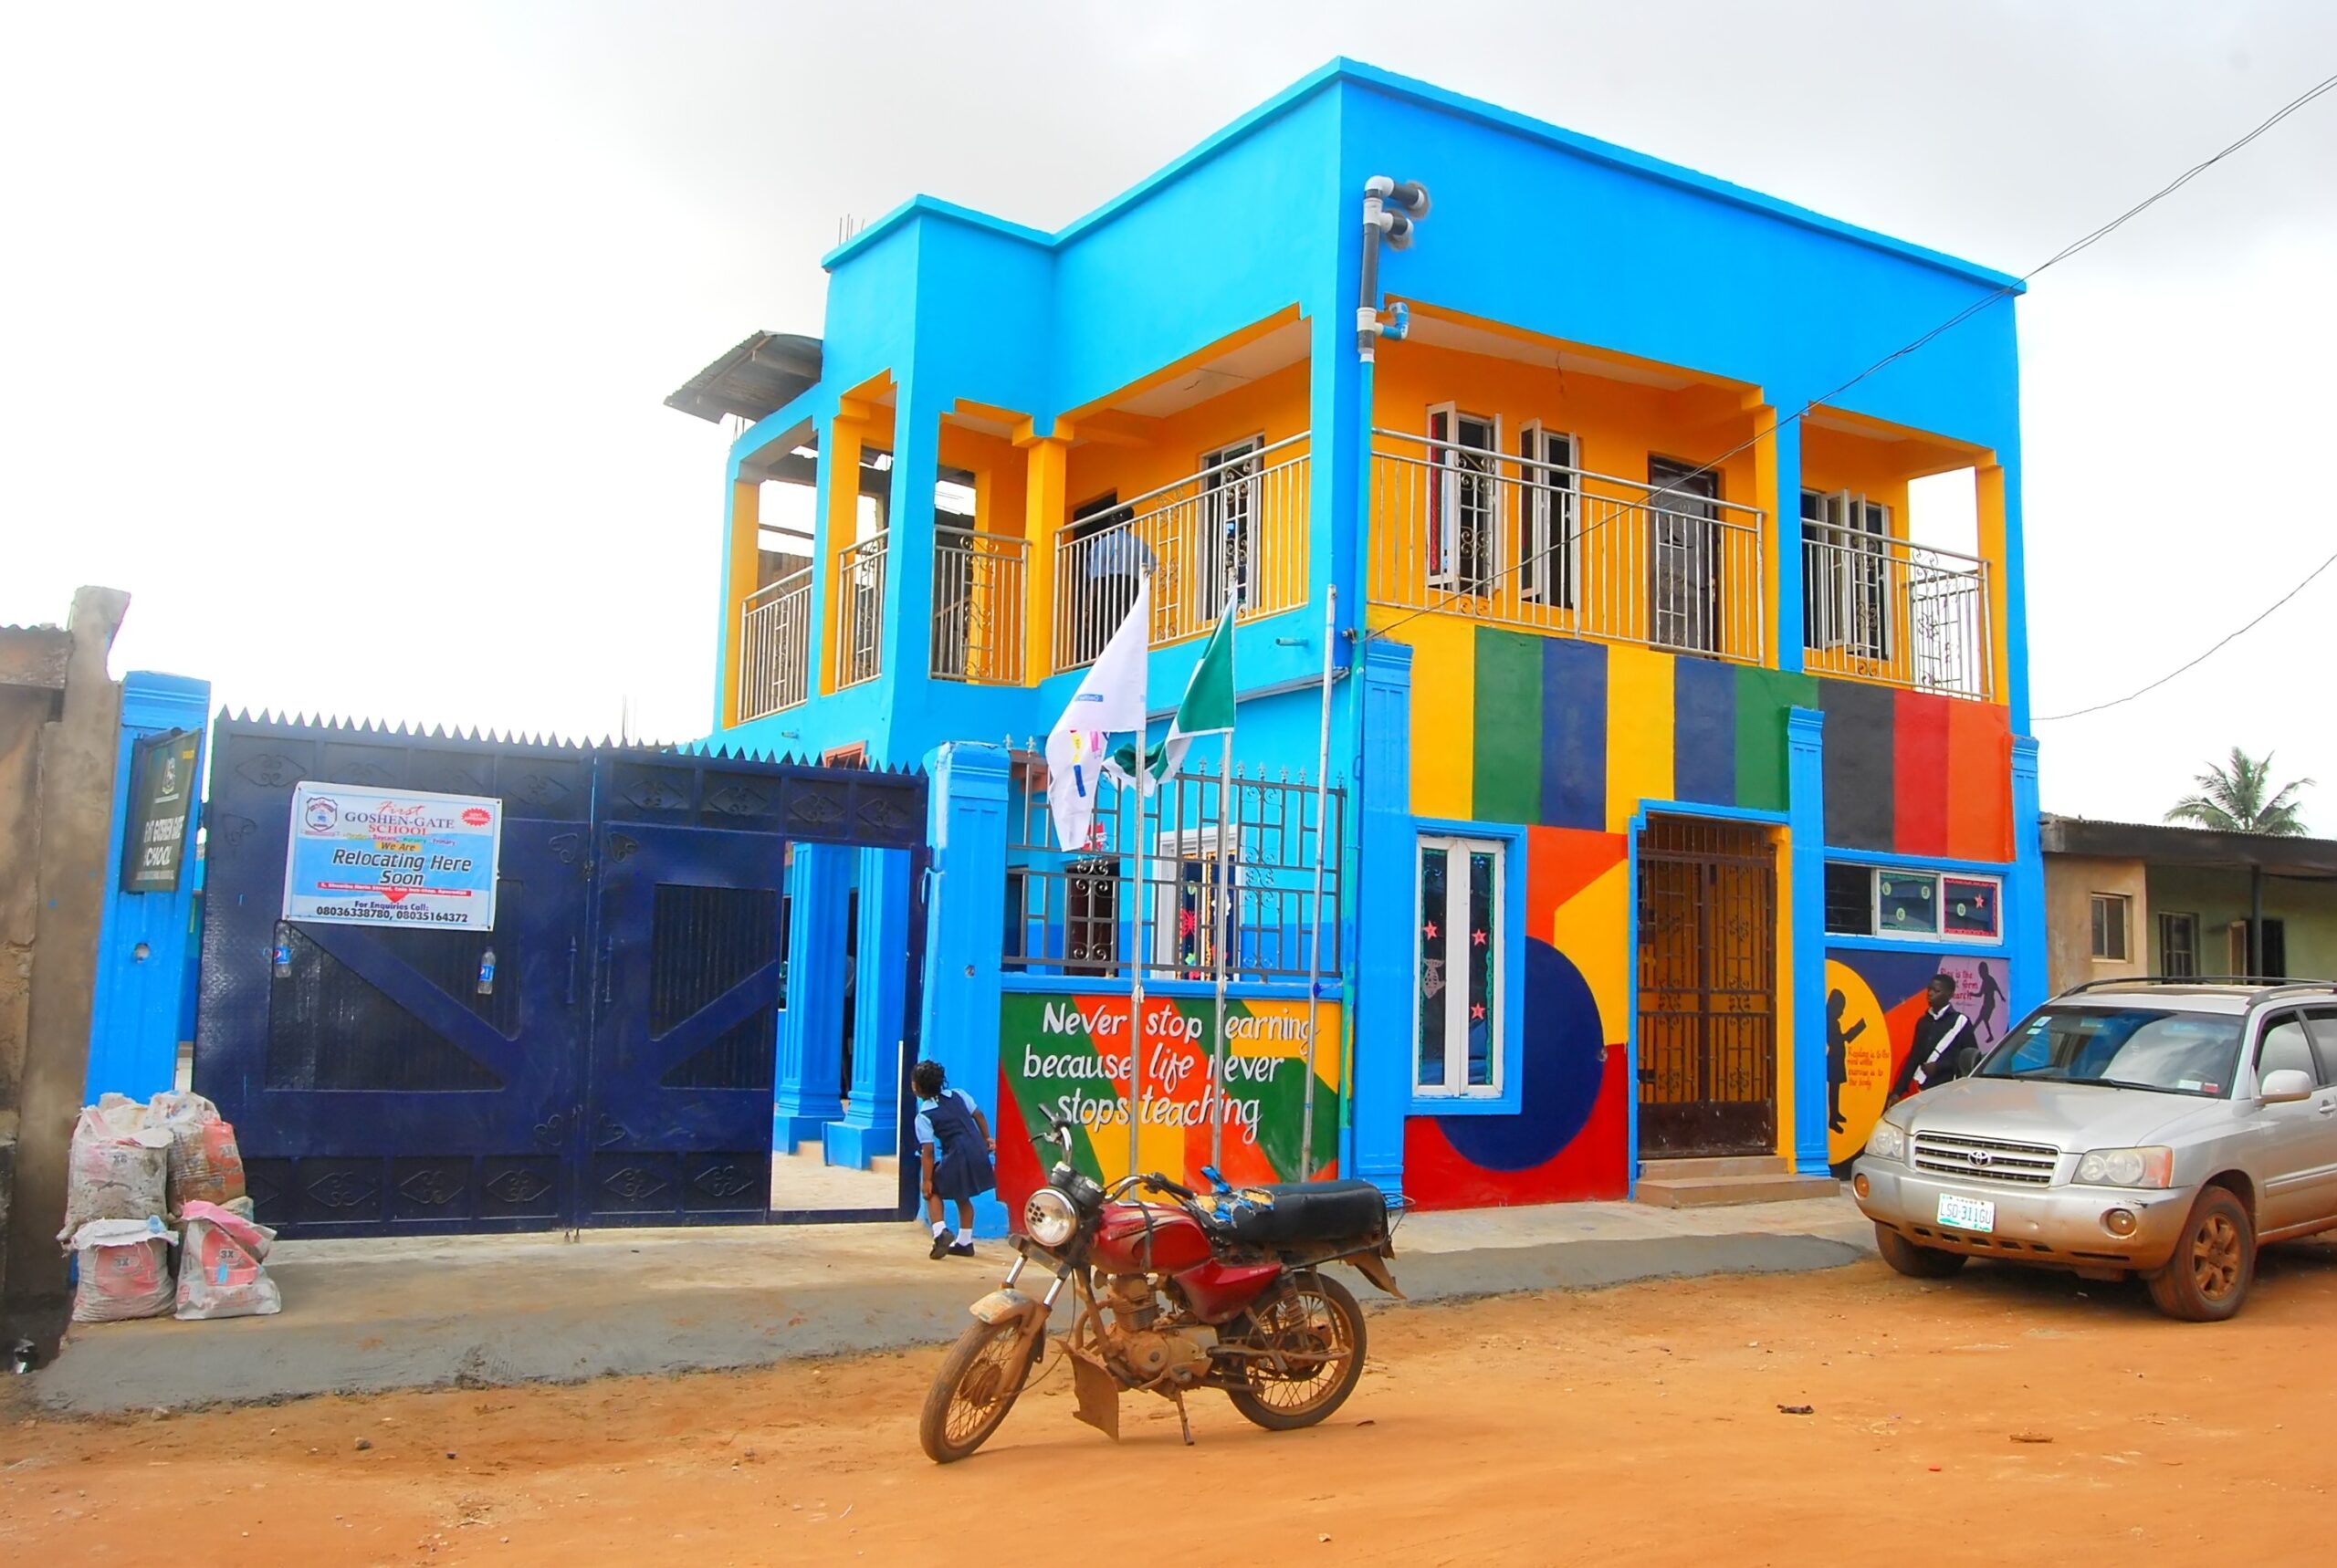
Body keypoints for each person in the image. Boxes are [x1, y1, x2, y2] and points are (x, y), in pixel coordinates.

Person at [913, 1060, 996, 1260]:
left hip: (958, 1154)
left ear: (918, 1088)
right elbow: (979, 1115)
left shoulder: (924, 1115)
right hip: (977, 1151)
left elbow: (928, 1151)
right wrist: (987, 1138)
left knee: (933, 1192)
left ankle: (940, 1232)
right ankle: (965, 1242)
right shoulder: (959, 1094)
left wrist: (927, 1180)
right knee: (962, 1194)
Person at [1889, 973, 1977, 1104]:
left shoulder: (1960, 1022)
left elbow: (1971, 1058)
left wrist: (1940, 1066)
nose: (1930, 993)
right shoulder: (1923, 1022)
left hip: (1950, 1090)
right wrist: (1897, 1092)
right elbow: (1914, 1058)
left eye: (1936, 991)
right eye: (1929, 989)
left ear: (1950, 995)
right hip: (1924, 1090)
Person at [1825, 988, 1866, 1134]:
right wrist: (1853, 1032)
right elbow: (1836, 1039)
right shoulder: (1830, 1021)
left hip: (1837, 1057)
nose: (1842, 1012)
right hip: (1833, 1058)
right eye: (1841, 1008)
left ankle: (1835, 1114)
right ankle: (1833, 1118)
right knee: (1834, 1088)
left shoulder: (1832, 1020)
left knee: (1836, 1089)